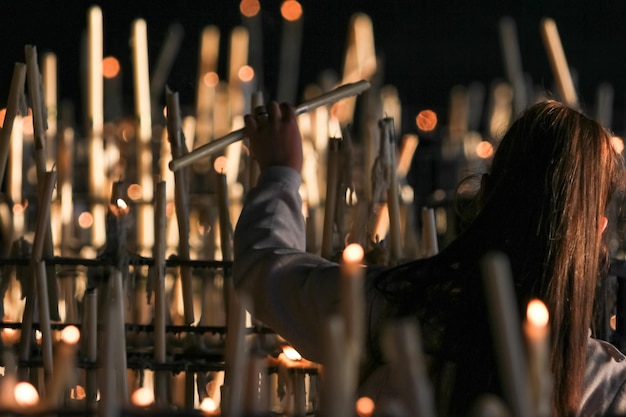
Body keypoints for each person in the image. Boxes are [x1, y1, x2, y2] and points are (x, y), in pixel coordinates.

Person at [233, 99, 626, 417]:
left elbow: (265, 271)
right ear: (596, 233)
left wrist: (281, 171)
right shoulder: (606, 386)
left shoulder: (392, 308)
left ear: (485, 196)